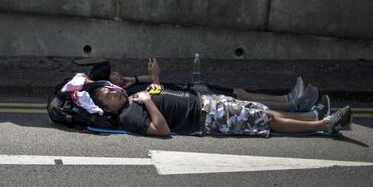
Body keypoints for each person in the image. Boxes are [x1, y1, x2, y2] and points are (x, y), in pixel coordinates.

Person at [90, 61, 351, 137]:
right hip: (206, 117)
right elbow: (162, 129)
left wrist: (144, 82)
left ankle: (313, 116)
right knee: (265, 119)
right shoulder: (128, 115)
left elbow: (159, 93)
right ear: (107, 110)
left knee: (260, 110)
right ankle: (324, 125)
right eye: (108, 95)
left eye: (110, 89)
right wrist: (147, 100)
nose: (113, 92)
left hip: (206, 104)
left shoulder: (131, 98)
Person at [102, 59, 327, 116]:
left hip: (192, 88)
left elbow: (149, 83)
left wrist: (135, 77)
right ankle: (294, 106)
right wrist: (154, 76)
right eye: (113, 74)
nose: (118, 73)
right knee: (242, 102)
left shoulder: (128, 85)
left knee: (241, 93)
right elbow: (157, 92)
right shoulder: (127, 95)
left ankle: (287, 98)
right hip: (193, 96)